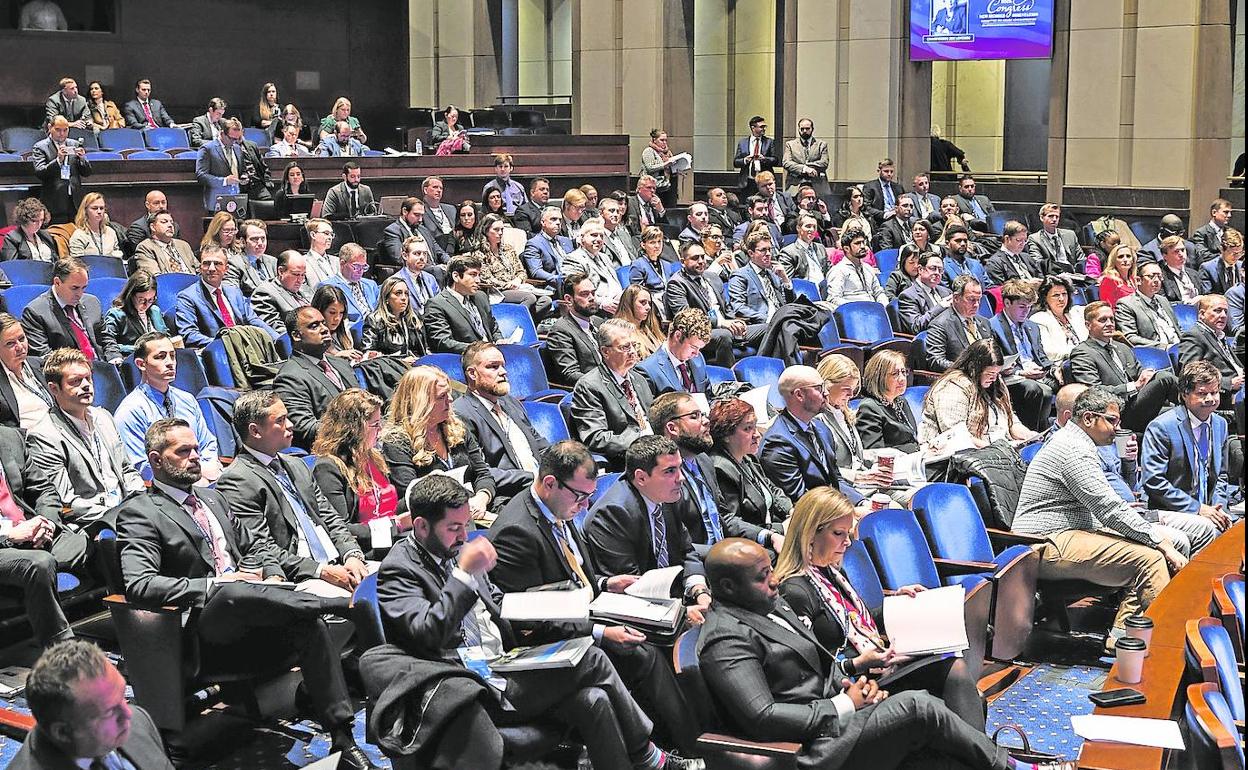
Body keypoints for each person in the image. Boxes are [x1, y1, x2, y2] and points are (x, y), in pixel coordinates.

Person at [376, 472, 700, 770]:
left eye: (466, 525)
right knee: (593, 658)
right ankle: (649, 757)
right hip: (466, 688)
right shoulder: (399, 570)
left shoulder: (455, 548)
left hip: (503, 662)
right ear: (420, 527)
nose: (464, 536)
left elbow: (500, 605)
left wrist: (548, 605)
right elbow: (427, 633)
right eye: (453, 528)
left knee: (594, 700)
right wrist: (463, 575)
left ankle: (641, 760)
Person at [115, 418, 378, 769]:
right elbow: (140, 584)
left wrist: (269, 574)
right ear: (156, 459)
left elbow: (254, 548)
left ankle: (342, 739)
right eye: (183, 452)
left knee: (306, 623)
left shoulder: (213, 497)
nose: (195, 457)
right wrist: (215, 584)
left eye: (196, 449)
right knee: (231, 592)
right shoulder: (140, 513)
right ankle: (340, 605)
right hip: (202, 635)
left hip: (255, 617)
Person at [698, 538, 1059, 770]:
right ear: (728, 587)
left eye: (770, 570)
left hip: (839, 706)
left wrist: (851, 686)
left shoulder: (767, 605)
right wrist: (846, 704)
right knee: (918, 706)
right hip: (809, 747)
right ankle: (1009, 767)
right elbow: (761, 716)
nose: (774, 580)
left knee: (947, 674)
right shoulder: (726, 637)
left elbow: (817, 663)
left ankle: (984, 761)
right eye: (762, 576)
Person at [776, 487, 986, 729]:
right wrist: (858, 663)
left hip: (876, 668)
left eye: (849, 533)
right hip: (854, 686)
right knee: (953, 670)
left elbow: (851, 620)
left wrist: (897, 602)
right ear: (811, 533)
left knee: (951, 660)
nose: (848, 542)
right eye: (838, 533)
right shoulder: (794, 591)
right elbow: (808, 668)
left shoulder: (831, 571)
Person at [1012, 387, 1188, 652]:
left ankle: (1122, 640)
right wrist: (1159, 541)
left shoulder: (1079, 444)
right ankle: (1167, 647)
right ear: (1088, 419)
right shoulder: (1072, 449)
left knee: (1151, 551)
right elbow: (1108, 508)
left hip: (1070, 533)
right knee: (1150, 557)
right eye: (1112, 420)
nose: (1117, 428)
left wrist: (1155, 540)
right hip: (1044, 542)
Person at [216, 390, 367, 594]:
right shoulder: (237, 480)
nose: (290, 425)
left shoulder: (297, 465)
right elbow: (262, 547)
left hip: (338, 564)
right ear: (255, 431)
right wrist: (321, 571)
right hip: (301, 577)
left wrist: (352, 554)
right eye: (280, 420)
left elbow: (330, 518)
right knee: (365, 604)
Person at [583, 435, 712, 614]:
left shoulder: (666, 495)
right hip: (640, 613)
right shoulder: (613, 514)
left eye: (680, 468)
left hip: (675, 598)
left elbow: (686, 550)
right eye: (670, 471)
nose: (681, 478)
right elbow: (633, 587)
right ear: (641, 478)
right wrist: (683, 613)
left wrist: (699, 590)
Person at [650, 392, 783, 553]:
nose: (706, 421)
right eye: (695, 416)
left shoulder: (703, 461)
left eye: (703, 415)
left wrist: (769, 535)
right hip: (700, 561)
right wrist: (723, 555)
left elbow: (725, 518)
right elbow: (674, 544)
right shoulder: (662, 477)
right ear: (672, 428)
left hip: (724, 551)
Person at [11, 640, 174, 770]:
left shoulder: (139, 723)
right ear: (63, 732)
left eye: (122, 696)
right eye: (110, 711)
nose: (128, 714)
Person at [26, 349, 144, 528]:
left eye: (88, 378)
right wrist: (118, 516)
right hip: (94, 523)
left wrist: (140, 501)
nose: (86, 385)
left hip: (129, 510)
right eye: (75, 381)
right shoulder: (44, 435)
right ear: (54, 388)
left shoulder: (104, 417)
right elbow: (66, 501)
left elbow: (127, 470)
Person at [0, 421, 84, 649]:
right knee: (38, 564)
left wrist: (47, 523)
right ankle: (63, 654)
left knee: (94, 541)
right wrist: (10, 535)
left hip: (32, 532)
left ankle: (131, 634)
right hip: (5, 545)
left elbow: (44, 490)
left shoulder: (9, 438)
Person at [381, 366, 495, 517]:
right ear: (420, 402)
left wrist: (481, 498)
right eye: (442, 396)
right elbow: (412, 498)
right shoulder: (397, 442)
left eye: (449, 393)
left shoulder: (458, 427)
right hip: (435, 520)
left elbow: (482, 474)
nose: (451, 399)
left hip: (476, 509)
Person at [1140, 361, 1235, 537]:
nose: (1210, 399)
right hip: (1173, 511)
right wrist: (1198, 509)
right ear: (1184, 394)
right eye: (1202, 393)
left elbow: (1221, 475)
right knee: (1213, 535)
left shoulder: (1220, 424)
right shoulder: (1162, 427)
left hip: (1210, 510)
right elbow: (1154, 481)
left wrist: (1218, 509)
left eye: (1214, 392)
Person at [455, 342, 550, 509]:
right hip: (508, 498)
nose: (503, 372)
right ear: (472, 373)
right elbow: (479, 472)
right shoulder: (461, 413)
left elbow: (539, 445)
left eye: (503, 366)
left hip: (543, 486)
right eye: (493, 367)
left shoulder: (510, 402)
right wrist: (533, 477)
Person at [114, 331, 220, 481]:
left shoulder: (187, 399)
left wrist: (206, 469)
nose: (170, 362)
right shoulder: (130, 411)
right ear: (141, 364)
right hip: (164, 489)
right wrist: (188, 479)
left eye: (172, 355)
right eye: (160, 357)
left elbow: (207, 443)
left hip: (203, 478)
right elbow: (140, 466)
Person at [311, 389, 401, 555]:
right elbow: (341, 528)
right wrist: (396, 526)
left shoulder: (375, 456)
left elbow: (391, 505)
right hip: (367, 549)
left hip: (395, 539)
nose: (380, 430)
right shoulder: (328, 467)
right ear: (353, 429)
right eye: (375, 425)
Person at [1069, 302, 1179, 432]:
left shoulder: (1123, 348)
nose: (1110, 323)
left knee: (1179, 413)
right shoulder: (1083, 352)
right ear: (1088, 325)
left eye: (1112, 319)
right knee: (1164, 379)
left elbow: (1139, 374)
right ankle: (1196, 400)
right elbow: (1092, 392)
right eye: (1103, 320)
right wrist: (1134, 386)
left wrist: (1147, 377)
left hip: (1138, 405)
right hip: (1116, 414)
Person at [760, 365, 862, 505]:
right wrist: (851, 512)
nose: (826, 393)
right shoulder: (778, 443)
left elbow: (835, 479)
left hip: (832, 508)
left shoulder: (822, 429)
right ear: (799, 395)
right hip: (810, 517)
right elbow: (802, 499)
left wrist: (861, 502)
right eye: (819, 388)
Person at [569, 316, 660, 468]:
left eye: (634, 345)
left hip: (657, 450)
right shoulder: (589, 386)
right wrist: (641, 439)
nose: (632, 352)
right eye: (625, 347)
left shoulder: (639, 379)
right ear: (605, 352)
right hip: (628, 459)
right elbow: (596, 437)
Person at [817, 355, 908, 504]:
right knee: (895, 508)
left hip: (867, 483)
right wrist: (861, 476)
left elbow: (854, 454)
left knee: (920, 496)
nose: (851, 395)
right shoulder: (817, 420)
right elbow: (822, 469)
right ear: (826, 386)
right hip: (844, 490)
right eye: (846, 389)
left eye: (854, 389)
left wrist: (886, 454)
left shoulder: (844, 412)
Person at [922, 339, 1038, 449]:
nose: (994, 378)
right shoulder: (953, 387)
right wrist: (996, 449)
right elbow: (956, 435)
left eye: (997, 373)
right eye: (990, 373)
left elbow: (1011, 421)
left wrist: (1027, 435)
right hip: (960, 455)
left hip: (999, 448)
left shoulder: (996, 381)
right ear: (974, 368)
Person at [274, 307, 357, 449]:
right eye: (314, 326)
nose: (324, 329)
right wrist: (356, 428)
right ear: (296, 336)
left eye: (324, 323)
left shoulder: (342, 364)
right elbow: (305, 428)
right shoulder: (290, 377)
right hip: (334, 451)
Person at [708, 398, 793, 530]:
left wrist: (791, 511)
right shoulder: (720, 469)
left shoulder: (748, 457)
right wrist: (780, 529)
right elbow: (734, 523)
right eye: (748, 429)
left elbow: (771, 489)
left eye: (755, 426)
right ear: (726, 434)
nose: (757, 435)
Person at [175, 244, 278, 348]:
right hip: (217, 353)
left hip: (245, 347)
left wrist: (277, 339)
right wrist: (227, 345)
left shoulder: (234, 291)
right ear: (200, 267)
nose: (211, 268)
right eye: (206, 263)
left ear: (226, 268)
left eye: (217, 264)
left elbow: (252, 319)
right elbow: (189, 334)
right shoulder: (187, 297)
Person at [990, 279, 1057, 432]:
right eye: (1021, 306)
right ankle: (1033, 433)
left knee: (1067, 377)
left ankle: (1053, 431)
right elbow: (996, 362)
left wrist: (1055, 370)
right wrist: (1020, 372)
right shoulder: (993, 326)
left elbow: (1041, 357)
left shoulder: (1032, 326)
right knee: (1039, 390)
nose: (1026, 311)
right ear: (1007, 303)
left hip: (1037, 372)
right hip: (1012, 376)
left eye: (1029, 307)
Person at [666, 241, 747, 367]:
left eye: (702, 257)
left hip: (728, 325)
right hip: (702, 332)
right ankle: (729, 383)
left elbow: (727, 307)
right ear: (683, 261)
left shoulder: (712, 277)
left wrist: (736, 322)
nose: (701, 261)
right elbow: (686, 319)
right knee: (723, 336)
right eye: (695, 258)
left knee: (766, 328)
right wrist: (721, 323)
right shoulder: (677, 283)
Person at [472, 212, 552, 317]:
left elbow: (521, 271)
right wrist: (509, 284)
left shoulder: (508, 249)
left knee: (546, 300)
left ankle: (520, 322)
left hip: (518, 286)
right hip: (498, 291)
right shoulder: (479, 253)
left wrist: (517, 280)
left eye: (502, 230)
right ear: (486, 231)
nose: (500, 233)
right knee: (530, 298)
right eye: (496, 230)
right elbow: (486, 278)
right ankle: (516, 321)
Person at [20, 257, 102, 359]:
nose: (80, 294)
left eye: (84, 288)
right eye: (75, 288)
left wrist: (114, 358)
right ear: (57, 282)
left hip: (103, 367)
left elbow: (106, 338)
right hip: (70, 370)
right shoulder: (35, 312)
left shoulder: (92, 302)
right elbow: (44, 355)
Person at [422, 255, 501, 353]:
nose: (478, 281)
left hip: (492, 354)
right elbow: (442, 342)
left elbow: (493, 326)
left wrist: (499, 340)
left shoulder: (481, 297)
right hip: (464, 359)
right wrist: (478, 350)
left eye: (478, 275)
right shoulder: (436, 304)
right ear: (456, 276)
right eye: (473, 275)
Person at [1178, 293, 1245, 402]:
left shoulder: (1218, 335)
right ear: (1202, 314)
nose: (1223, 315)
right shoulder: (1194, 336)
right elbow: (1190, 373)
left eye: (1226, 311)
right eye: (1217, 310)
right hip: (1223, 395)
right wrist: (1228, 384)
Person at [856, 350, 921, 453]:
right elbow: (874, 452)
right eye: (895, 374)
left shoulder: (901, 402)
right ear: (879, 377)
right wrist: (915, 449)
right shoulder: (869, 408)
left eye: (903, 372)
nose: (902, 379)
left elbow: (912, 437)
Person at [544, 272, 603, 385]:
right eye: (585, 294)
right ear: (569, 299)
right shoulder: (560, 331)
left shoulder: (599, 322)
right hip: (589, 392)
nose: (591, 298)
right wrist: (605, 383)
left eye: (593, 293)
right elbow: (570, 373)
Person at [923, 274, 990, 371]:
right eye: (971, 300)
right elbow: (936, 361)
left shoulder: (984, 322)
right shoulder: (940, 325)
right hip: (960, 379)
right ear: (956, 298)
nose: (976, 305)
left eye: (978, 300)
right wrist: (966, 368)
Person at [31, 116, 92, 224]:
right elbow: (40, 172)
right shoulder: (40, 147)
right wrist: (58, 160)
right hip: (54, 202)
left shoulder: (75, 144)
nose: (62, 133)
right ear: (50, 127)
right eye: (58, 130)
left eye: (65, 130)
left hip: (75, 201)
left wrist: (82, 158)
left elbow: (87, 172)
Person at [637, 308, 712, 395]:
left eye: (699, 348)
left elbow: (708, 395)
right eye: (693, 347)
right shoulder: (647, 371)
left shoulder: (698, 359)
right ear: (678, 336)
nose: (696, 354)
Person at [0, 314, 54, 431]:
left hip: (61, 431)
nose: (20, 347)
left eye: (21, 339)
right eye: (10, 343)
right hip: (28, 441)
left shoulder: (42, 366)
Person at [1113, 260, 1182, 350]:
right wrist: (1165, 347)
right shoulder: (1126, 304)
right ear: (1138, 280)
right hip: (1156, 354)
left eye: (1159, 276)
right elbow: (1130, 338)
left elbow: (1177, 328)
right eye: (1151, 276)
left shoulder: (1163, 300)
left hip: (1180, 349)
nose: (1157, 280)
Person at [564, 217, 625, 314]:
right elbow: (578, 292)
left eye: (601, 236)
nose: (599, 239)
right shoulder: (573, 259)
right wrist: (602, 303)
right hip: (596, 310)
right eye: (594, 235)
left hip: (618, 305)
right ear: (581, 238)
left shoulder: (605, 257)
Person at [360, 275, 425, 361]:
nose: (403, 298)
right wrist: (401, 361)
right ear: (386, 298)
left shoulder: (413, 319)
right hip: (390, 370)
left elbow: (423, 350)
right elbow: (368, 356)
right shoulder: (374, 320)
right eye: (398, 293)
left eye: (406, 293)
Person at [318, 242, 379, 326]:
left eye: (364, 267)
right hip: (352, 333)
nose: (360, 271)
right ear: (342, 263)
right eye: (356, 266)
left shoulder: (371, 285)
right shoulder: (329, 287)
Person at [193, 118, 248, 213]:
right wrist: (224, 181)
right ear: (222, 134)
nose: (234, 142)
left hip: (237, 200)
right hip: (216, 201)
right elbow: (201, 175)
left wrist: (244, 176)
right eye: (231, 138)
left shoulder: (238, 149)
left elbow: (242, 170)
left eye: (237, 139)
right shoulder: (207, 149)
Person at [251, 250, 312, 335]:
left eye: (303, 275)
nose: (300, 280)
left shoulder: (305, 289)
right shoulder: (265, 292)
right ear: (281, 271)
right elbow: (279, 331)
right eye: (296, 274)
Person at [826, 228, 888, 310]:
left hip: (874, 311)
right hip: (854, 313)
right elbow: (833, 298)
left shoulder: (868, 268)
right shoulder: (838, 270)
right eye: (857, 243)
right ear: (846, 248)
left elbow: (878, 292)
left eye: (863, 242)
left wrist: (884, 306)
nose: (863, 246)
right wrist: (856, 307)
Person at [1032, 275, 1087, 364]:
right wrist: (1079, 352)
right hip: (1063, 363)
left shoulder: (1076, 312)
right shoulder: (1039, 319)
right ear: (1045, 298)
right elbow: (1048, 352)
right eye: (1056, 295)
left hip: (1086, 358)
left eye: (1064, 294)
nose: (1061, 299)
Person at [380, 196, 446, 268]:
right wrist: (431, 268)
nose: (420, 219)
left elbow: (440, 252)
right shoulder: (393, 231)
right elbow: (399, 258)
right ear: (405, 211)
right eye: (417, 215)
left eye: (422, 215)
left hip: (435, 269)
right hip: (415, 271)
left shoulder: (423, 230)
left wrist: (451, 264)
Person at [896, 252, 951, 334]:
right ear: (920, 269)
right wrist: (940, 307)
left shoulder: (946, 292)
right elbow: (915, 327)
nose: (937, 273)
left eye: (940, 270)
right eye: (933, 268)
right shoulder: (908, 296)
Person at [521, 205, 572, 289]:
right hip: (554, 285)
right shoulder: (534, 243)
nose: (558, 223)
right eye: (553, 219)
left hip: (574, 281)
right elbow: (536, 271)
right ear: (543, 222)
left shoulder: (566, 241)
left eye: (560, 219)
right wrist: (558, 279)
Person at [132, 211, 197, 276]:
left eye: (171, 222)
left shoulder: (183, 245)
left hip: (193, 283)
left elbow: (199, 268)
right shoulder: (145, 247)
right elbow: (155, 276)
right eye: (164, 222)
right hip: (167, 284)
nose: (170, 225)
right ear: (153, 227)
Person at [311, 284, 364, 364]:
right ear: (319, 310)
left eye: (341, 313)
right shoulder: (309, 335)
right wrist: (338, 356)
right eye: (332, 312)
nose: (337, 318)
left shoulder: (344, 325)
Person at [1027, 203, 1084, 275]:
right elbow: (1037, 262)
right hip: (1053, 275)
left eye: (1057, 217)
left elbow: (1081, 259)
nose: (1054, 219)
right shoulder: (1035, 238)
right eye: (1050, 216)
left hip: (1073, 274)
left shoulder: (1070, 235)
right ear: (1042, 218)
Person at [225, 219, 278, 297]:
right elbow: (233, 296)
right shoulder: (234, 264)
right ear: (243, 242)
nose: (260, 243)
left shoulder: (273, 262)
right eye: (254, 239)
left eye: (263, 238)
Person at [779, 212, 831, 287]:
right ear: (798, 228)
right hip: (805, 292)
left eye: (814, 227)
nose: (812, 230)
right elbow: (787, 281)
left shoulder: (821, 248)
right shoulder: (789, 252)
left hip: (826, 289)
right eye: (808, 226)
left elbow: (829, 270)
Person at [393, 237, 441, 316]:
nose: (422, 257)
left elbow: (440, 305)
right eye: (417, 253)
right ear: (405, 256)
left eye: (424, 254)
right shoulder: (396, 281)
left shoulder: (431, 279)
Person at [67, 192, 123, 259]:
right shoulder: (79, 235)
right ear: (85, 211)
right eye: (94, 208)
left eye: (101, 208)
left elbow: (117, 257)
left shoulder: (111, 232)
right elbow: (76, 264)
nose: (99, 212)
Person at [782, 118, 831, 194]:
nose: (804, 131)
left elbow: (824, 163)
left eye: (807, 128)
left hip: (818, 185)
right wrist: (804, 169)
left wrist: (808, 167)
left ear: (812, 129)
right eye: (802, 129)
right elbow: (786, 163)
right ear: (798, 129)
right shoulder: (790, 145)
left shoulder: (821, 144)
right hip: (795, 185)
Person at [616, 284, 666, 359]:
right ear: (629, 304)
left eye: (649, 303)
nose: (648, 307)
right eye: (643, 302)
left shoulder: (650, 329)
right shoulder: (621, 332)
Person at [733, 115, 778, 196]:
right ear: (753, 128)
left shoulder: (769, 142)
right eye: (761, 127)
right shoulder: (743, 142)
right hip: (747, 181)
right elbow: (736, 162)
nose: (764, 129)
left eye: (765, 126)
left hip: (764, 181)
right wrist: (745, 160)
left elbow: (775, 160)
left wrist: (764, 159)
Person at [0, 198, 56, 263]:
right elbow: (11, 266)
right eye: (34, 221)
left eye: (41, 220)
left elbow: (55, 259)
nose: (39, 224)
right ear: (24, 219)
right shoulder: (11, 238)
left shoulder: (46, 235)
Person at [640, 129, 681, 209]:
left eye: (666, 140)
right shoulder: (649, 151)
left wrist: (677, 168)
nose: (664, 142)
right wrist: (665, 164)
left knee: (668, 208)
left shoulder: (667, 152)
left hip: (667, 186)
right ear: (654, 140)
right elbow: (650, 167)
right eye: (662, 140)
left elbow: (670, 166)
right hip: (654, 187)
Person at [1157, 236, 1202, 304]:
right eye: (1176, 251)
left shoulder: (1194, 274)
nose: (1181, 254)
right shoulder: (1160, 278)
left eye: (1183, 250)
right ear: (1165, 256)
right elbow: (1163, 304)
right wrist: (1187, 303)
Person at [1199, 227, 1243, 295]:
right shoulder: (1207, 268)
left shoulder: (1242, 266)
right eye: (1233, 253)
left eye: (1240, 253)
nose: (1237, 257)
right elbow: (1208, 296)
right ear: (1222, 249)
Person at [1191, 198, 1234, 265]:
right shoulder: (1201, 233)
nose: (1229, 215)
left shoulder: (1231, 232)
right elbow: (1203, 255)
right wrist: (1225, 257)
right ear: (1214, 213)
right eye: (1226, 212)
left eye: (1230, 212)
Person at [1097, 243, 1137, 308]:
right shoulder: (1109, 280)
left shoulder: (1132, 279)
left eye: (1128, 256)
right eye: (1120, 257)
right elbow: (1108, 306)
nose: (1125, 260)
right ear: (1114, 261)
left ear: (1132, 260)